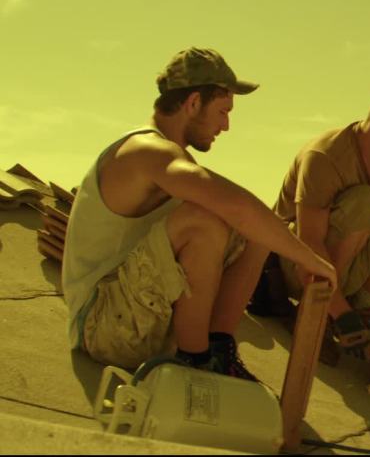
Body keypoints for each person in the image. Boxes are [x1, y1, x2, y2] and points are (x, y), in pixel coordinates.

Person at [61, 47, 337, 381]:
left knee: (256, 231)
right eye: (223, 111)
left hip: (138, 319)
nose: (226, 125)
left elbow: (248, 217)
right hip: (102, 326)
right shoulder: (146, 151)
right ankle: (196, 362)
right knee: (205, 220)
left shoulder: (173, 158)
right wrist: (311, 260)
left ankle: (218, 351)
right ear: (193, 103)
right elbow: (235, 205)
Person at [248, 81, 370, 367]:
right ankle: (317, 314)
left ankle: (356, 310)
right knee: (365, 202)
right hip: (291, 265)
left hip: (342, 272)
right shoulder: (325, 157)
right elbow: (309, 245)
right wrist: (341, 315)